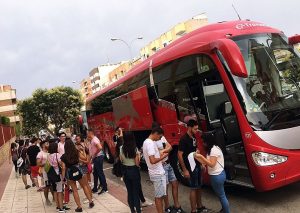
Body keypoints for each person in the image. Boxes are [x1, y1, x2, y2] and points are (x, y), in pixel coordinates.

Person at [194, 131, 230, 213]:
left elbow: (212, 164)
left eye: (204, 142)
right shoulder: (213, 148)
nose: (203, 143)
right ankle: (224, 210)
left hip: (217, 176)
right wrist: (198, 158)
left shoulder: (214, 150)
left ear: (208, 141)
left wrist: (201, 157)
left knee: (222, 196)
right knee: (221, 195)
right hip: (218, 175)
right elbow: (207, 161)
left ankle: (226, 211)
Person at [178, 119, 208, 213]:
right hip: (190, 167)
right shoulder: (183, 139)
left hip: (197, 165)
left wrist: (201, 163)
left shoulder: (194, 137)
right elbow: (179, 155)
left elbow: (196, 151)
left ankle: (199, 206)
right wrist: (184, 170)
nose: (196, 131)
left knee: (199, 186)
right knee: (193, 188)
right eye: (195, 129)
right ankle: (193, 210)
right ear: (189, 127)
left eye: (197, 129)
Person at [153, 123, 184, 213]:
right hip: (161, 166)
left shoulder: (162, 137)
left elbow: (170, 147)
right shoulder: (152, 142)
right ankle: (167, 207)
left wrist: (163, 151)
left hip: (168, 164)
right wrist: (164, 152)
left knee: (175, 183)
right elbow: (156, 155)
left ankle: (177, 205)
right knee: (165, 188)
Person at [61, 139, 94, 212]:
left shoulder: (63, 156)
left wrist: (63, 178)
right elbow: (82, 159)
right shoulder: (76, 152)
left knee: (74, 190)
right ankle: (90, 201)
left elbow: (63, 168)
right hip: (79, 170)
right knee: (84, 186)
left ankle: (79, 207)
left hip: (70, 172)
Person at [143, 127, 168, 213]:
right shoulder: (149, 143)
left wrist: (160, 162)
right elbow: (152, 160)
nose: (160, 139)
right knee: (159, 197)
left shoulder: (147, 142)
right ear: (156, 133)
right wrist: (163, 157)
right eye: (160, 137)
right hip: (157, 174)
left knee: (160, 196)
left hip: (157, 172)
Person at [119, 132, 142, 213]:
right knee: (135, 192)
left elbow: (121, 160)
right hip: (134, 171)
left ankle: (132, 210)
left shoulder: (121, 148)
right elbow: (137, 163)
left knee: (129, 192)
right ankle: (138, 211)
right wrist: (139, 156)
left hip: (125, 171)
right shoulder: (134, 148)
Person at [48, 142, 70, 213]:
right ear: (55, 148)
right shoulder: (58, 155)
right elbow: (63, 167)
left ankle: (58, 206)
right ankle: (61, 208)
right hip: (58, 175)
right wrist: (63, 177)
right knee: (60, 191)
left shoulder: (49, 156)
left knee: (55, 190)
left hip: (52, 175)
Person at [87, 128, 108, 195]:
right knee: (95, 173)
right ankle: (95, 188)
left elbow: (100, 147)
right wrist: (89, 160)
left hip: (98, 157)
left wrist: (95, 154)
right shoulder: (92, 140)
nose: (87, 134)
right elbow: (91, 152)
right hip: (96, 158)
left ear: (90, 133)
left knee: (100, 173)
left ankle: (105, 188)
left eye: (88, 133)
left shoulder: (94, 140)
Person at [75, 135, 93, 204]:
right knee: (87, 184)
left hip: (84, 168)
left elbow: (86, 161)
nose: (77, 140)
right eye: (76, 139)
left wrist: (80, 160)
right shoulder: (81, 150)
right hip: (84, 167)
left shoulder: (83, 150)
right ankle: (89, 197)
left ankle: (89, 198)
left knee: (86, 184)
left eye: (78, 138)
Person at [37, 140, 53, 206]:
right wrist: (46, 163)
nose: (48, 144)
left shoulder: (50, 152)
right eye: (47, 143)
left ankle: (54, 197)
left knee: (52, 184)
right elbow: (38, 163)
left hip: (52, 171)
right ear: (43, 145)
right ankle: (47, 199)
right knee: (47, 186)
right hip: (45, 172)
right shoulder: (40, 154)